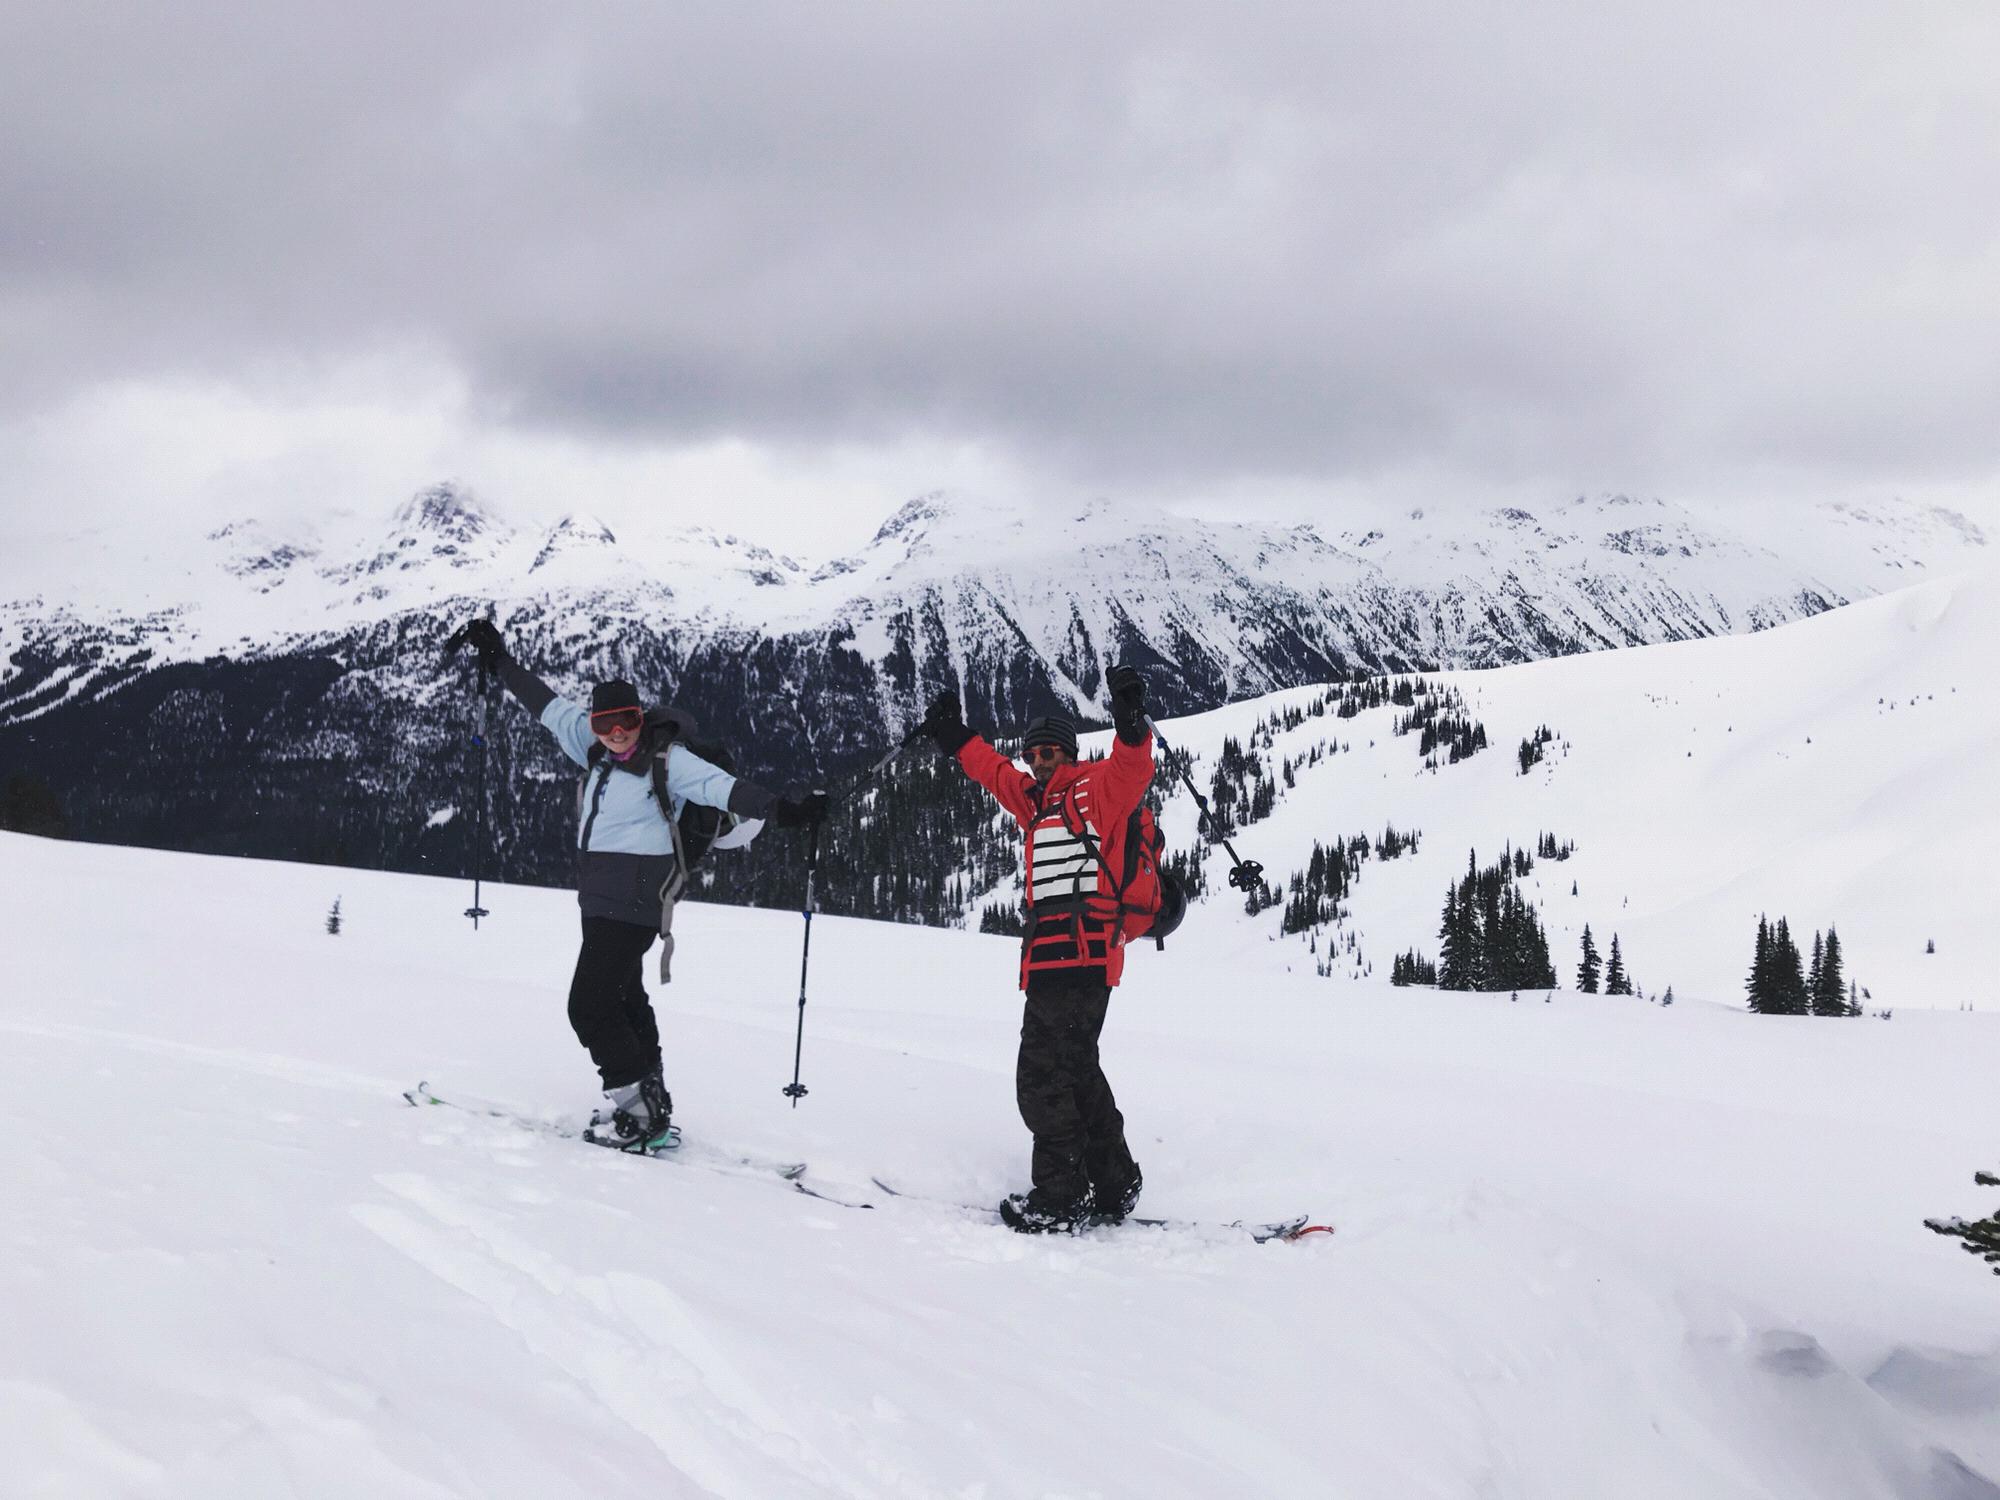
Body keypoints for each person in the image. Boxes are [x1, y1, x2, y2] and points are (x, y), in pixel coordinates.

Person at [461, 618, 826, 1149]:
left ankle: (637, 1113)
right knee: (624, 995)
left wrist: (784, 811)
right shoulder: (589, 745)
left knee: (587, 1006)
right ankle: (650, 1097)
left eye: (626, 720)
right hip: (600, 902)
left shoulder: (669, 761)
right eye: (605, 722)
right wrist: (498, 661)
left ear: (641, 717)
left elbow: (725, 789)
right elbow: (542, 702)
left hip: (635, 903)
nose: (616, 733)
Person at [918, 666, 1155, 1232]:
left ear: (1069, 753)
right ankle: (1114, 1182)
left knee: (1042, 1078)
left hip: (1081, 955)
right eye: (1034, 754)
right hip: (1056, 959)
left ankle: (1060, 1196)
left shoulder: (1094, 790)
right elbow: (993, 772)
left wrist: (1129, 723)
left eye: (1051, 752)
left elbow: (1132, 768)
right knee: (1077, 1069)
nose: (1040, 761)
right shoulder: (1035, 800)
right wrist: (955, 737)